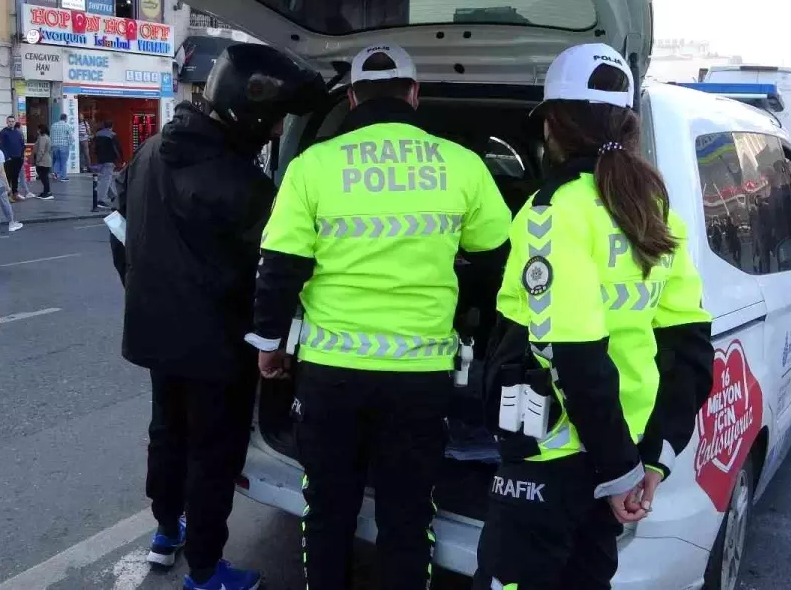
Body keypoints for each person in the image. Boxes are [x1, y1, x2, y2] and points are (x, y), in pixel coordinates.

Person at [248, 43, 512, 590]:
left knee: (327, 512)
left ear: (350, 98)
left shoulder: (312, 165)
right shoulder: (461, 164)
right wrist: (474, 322)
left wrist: (270, 346)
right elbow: (498, 265)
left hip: (329, 377)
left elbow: (280, 270)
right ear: (414, 94)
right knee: (408, 517)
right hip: (419, 381)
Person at [471, 44, 713, 589]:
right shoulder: (653, 209)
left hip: (551, 456)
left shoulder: (552, 211)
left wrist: (620, 470)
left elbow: (573, 354)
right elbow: (690, 349)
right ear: (627, 123)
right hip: (621, 451)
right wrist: (649, 460)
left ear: (552, 124)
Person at [111, 43, 325, 590]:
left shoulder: (151, 151)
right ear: (247, 112)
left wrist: (144, 294)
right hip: (215, 348)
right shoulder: (245, 187)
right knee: (214, 454)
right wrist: (272, 338)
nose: (278, 131)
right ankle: (205, 571)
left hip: (156, 333)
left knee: (167, 434)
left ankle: (166, 531)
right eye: (275, 120)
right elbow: (275, 275)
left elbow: (119, 234)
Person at [91, 120, 121, 209]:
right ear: (112, 126)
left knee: (108, 178)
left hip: (100, 160)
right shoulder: (112, 135)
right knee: (106, 179)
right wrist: (120, 160)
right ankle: (100, 200)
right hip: (109, 159)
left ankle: (113, 197)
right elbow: (117, 148)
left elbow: (94, 148)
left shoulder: (97, 134)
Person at [0, 115, 26, 200]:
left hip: (18, 158)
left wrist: (22, 156)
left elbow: (22, 144)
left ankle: (15, 193)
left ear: (15, 122)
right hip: (9, 159)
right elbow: (1, 146)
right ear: (7, 122)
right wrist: (6, 157)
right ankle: (8, 194)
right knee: (8, 177)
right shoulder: (3, 132)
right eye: (9, 121)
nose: (11, 123)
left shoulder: (18, 132)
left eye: (12, 121)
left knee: (15, 176)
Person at [50, 113, 76, 181]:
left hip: (55, 146)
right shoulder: (66, 125)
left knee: (57, 160)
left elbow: (51, 136)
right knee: (63, 162)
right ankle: (63, 177)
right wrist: (70, 143)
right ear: (65, 118)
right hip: (64, 146)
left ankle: (55, 173)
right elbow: (71, 137)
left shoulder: (53, 125)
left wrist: (52, 145)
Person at [33, 123, 54, 200]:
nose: (37, 131)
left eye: (38, 129)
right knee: (44, 177)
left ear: (41, 129)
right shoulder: (46, 137)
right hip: (46, 160)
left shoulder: (43, 137)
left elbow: (41, 150)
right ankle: (46, 191)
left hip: (43, 161)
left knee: (43, 177)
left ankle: (47, 192)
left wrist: (37, 160)